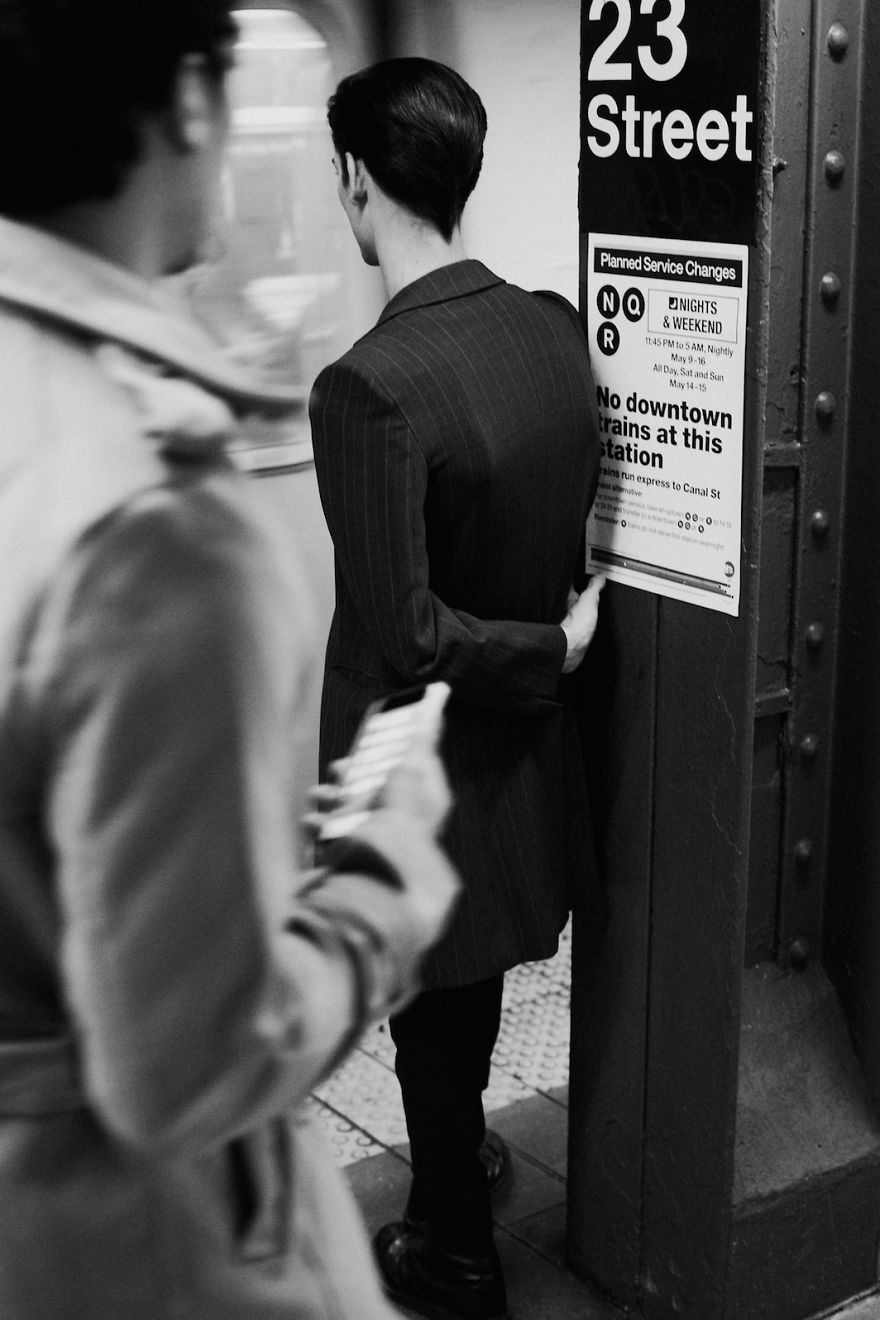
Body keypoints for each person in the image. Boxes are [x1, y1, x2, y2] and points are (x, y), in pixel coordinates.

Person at [0, 7, 460, 1320]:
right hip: (117, 1244)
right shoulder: (149, 517)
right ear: (191, 109)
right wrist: (376, 891)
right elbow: (189, 1072)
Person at [309, 57, 604, 1320]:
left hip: (420, 766)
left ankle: (452, 1251)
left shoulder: (366, 386)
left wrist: (550, 651)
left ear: (356, 183)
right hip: (523, 757)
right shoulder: (549, 327)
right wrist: (556, 646)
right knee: (469, 985)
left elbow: (411, 630)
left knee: (428, 1008)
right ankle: (461, 1158)